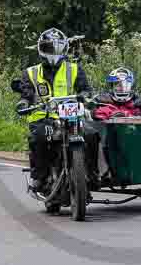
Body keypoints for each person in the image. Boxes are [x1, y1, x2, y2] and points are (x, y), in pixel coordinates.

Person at [16, 28, 92, 192]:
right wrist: (23, 103)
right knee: (39, 138)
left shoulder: (74, 68)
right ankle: (40, 177)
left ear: (64, 48)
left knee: (92, 134)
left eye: (57, 47)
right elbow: (26, 94)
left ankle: (92, 173)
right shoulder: (31, 73)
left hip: (71, 117)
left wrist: (85, 96)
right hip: (43, 118)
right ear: (41, 49)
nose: (53, 52)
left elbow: (85, 89)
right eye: (49, 48)